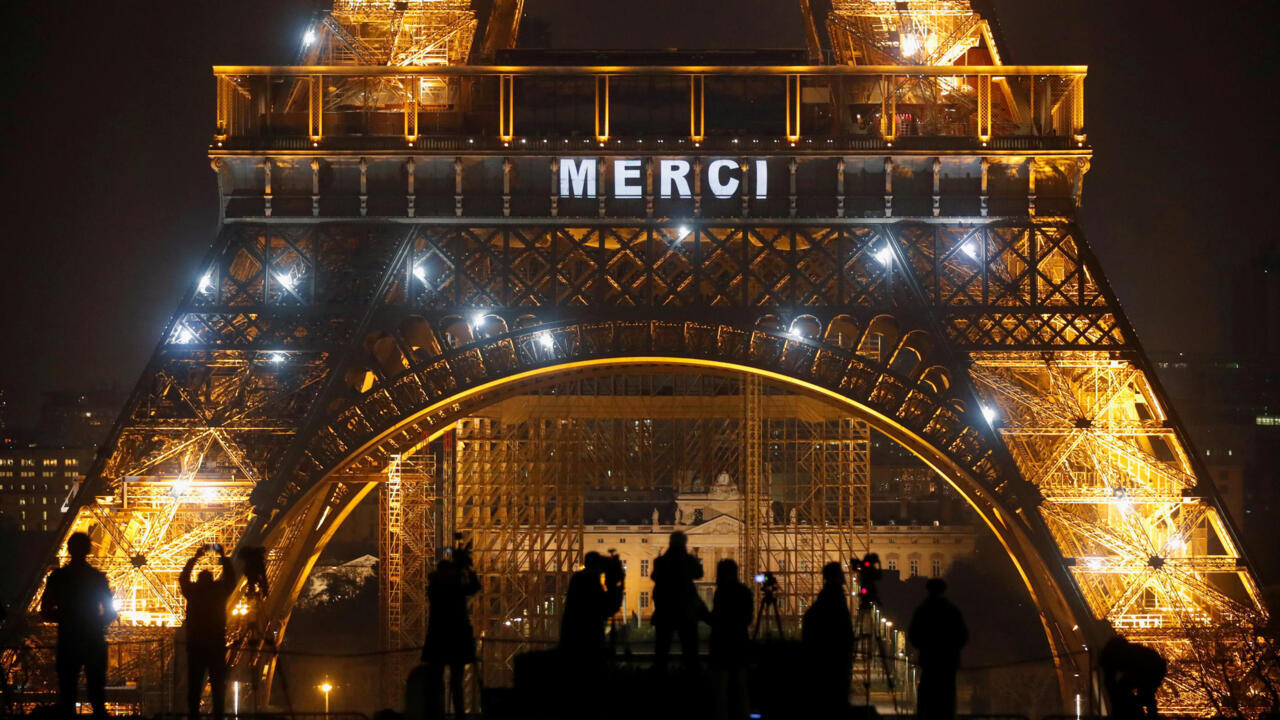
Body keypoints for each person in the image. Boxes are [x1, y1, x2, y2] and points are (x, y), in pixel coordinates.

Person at [40, 532, 116, 720]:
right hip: (93, 639)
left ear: (69, 548)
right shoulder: (97, 578)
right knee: (97, 693)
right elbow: (109, 612)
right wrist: (94, 621)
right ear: (89, 550)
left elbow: (46, 611)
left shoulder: (58, 578)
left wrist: (67, 617)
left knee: (67, 692)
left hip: (68, 639)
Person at [179, 544, 237, 720]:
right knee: (218, 686)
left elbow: (183, 578)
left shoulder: (193, 592)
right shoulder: (219, 592)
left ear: (198, 580)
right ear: (213, 580)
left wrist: (195, 558)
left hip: (196, 645)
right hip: (216, 644)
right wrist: (223, 557)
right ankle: (218, 715)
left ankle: (193, 715)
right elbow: (231, 579)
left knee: (194, 686)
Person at [422, 555, 481, 720]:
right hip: (456, 640)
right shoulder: (452, 589)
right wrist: (467, 570)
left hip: (438, 640)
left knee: (439, 682)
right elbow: (474, 587)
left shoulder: (435, 588)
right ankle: (459, 714)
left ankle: (437, 713)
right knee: (456, 683)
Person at [907, 578, 968, 720]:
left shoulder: (923, 610)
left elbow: (913, 634)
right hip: (948, 662)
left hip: (929, 660)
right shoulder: (952, 610)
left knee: (927, 699)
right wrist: (951, 648)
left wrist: (924, 646)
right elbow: (963, 635)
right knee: (947, 701)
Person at [801, 562, 855, 715]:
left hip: (828, 655)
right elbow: (842, 625)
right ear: (838, 576)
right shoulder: (834, 595)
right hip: (835, 657)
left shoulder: (828, 594)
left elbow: (809, 618)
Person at [703, 559, 752, 720]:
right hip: (739, 646)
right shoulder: (745, 591)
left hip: (722, 647)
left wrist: (703, 614)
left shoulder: (722, 592)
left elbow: (718, 620)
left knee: (720, 692)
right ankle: (743, 716)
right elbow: (748, 619)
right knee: (741, 689)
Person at [649, 531, 704, 672]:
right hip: (685, 610)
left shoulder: (660, 561)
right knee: (690, 650)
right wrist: (695, 557)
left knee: (661, 650)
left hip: (665, 611)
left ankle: (659, 678)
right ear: (684, 543)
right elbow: (699, 574)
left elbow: (654, 577)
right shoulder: (688, 560)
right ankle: (693, 678)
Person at [1099, 633, 1166, 720]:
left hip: (1151, 670)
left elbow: (1111, 684)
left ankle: (1143, 713)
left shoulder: (1126, 658)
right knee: (1135, 695)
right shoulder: (1125, 655)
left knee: (1142, 695)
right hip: (1152, 668)